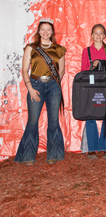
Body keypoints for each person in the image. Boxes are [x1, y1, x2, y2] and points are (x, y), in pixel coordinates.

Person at [15, 19, 66, 166]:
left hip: (53, 86)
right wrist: (30, 88)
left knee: (54, 120)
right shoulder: (31, 48)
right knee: (32, 120)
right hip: (35, 84)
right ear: (38, 31)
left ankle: (54, 154)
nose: (45, 32)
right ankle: (28, 155)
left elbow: (61, 70)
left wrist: (55, 82)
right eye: (42, 29)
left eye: (48, 29)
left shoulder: (59, 49)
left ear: (52, 32)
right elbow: (25, 70)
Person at [80, 24, 106, 159]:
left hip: (105, 87)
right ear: (92, 35)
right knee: (90, 115)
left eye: (101, 33)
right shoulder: (86, 52)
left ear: (104, 36)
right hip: (91, 87)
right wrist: (92, 66)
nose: (98, 36)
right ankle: (91, 148)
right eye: (96, 33)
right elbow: (83, 71)